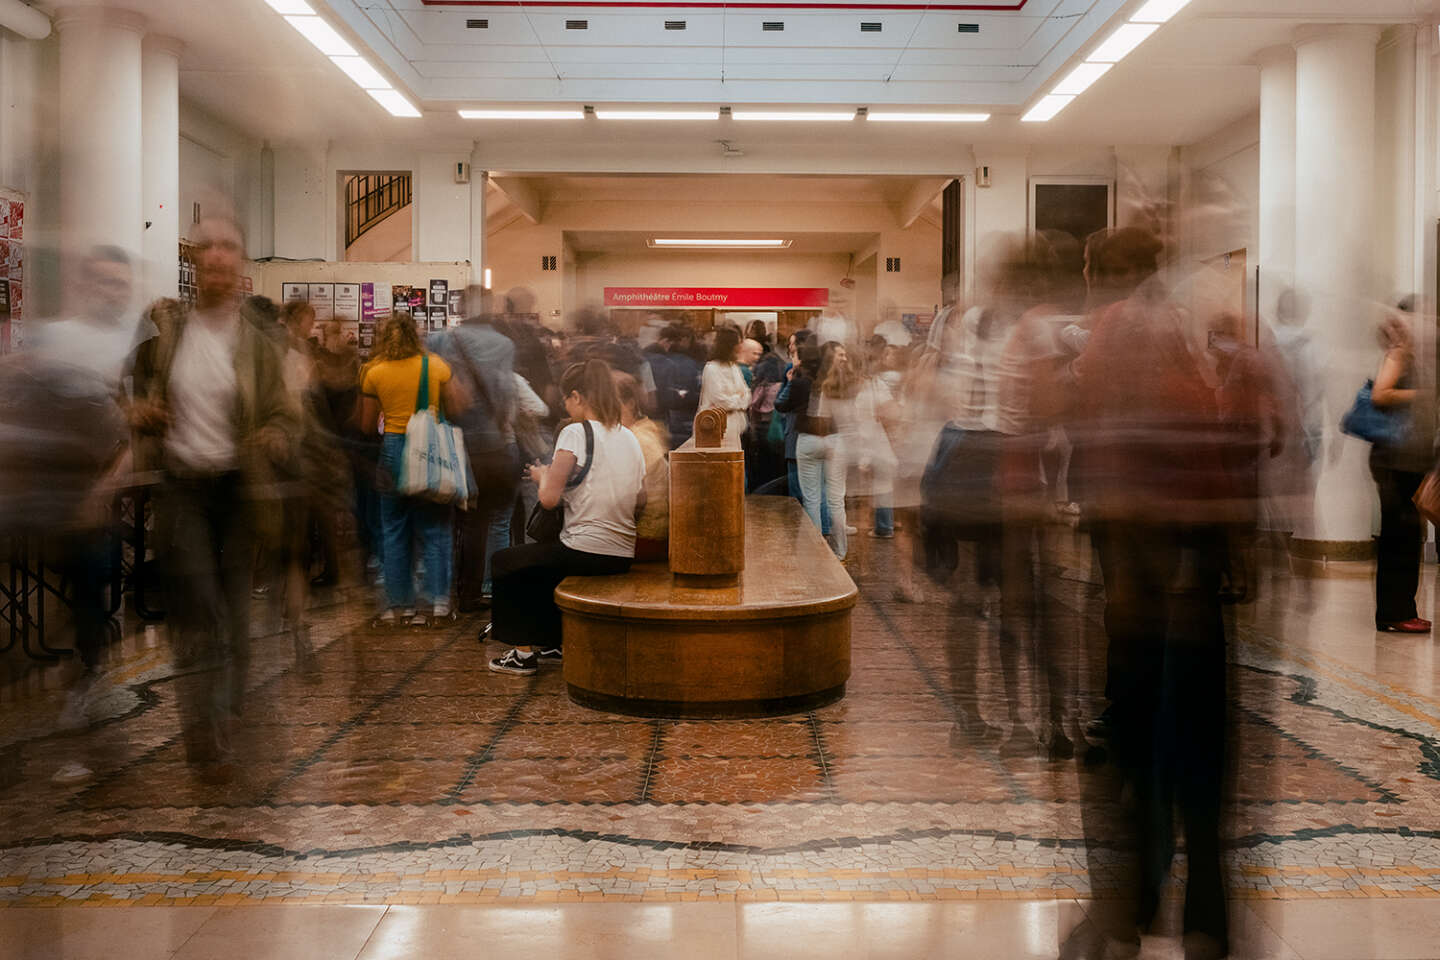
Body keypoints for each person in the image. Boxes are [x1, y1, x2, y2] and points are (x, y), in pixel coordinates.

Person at [130, 217, 300, 780]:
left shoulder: (257, 345)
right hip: (184, 488)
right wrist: (144, 415)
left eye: (230, 248)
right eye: (209, 250)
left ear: (241, 266)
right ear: (196, 265)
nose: (220, 259)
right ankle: (204, 732)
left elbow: (280, 412)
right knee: (198, 609)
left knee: (233, 614)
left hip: (239, 489)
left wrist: (274, 432)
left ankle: (225, 713)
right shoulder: (167, 335)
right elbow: (134, 398)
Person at [487, 360, 646, 676]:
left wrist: (540, 476)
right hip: (622, 552)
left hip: (586, 549)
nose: (564, 405)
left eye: (566, 399)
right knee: (543, 565)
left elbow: (548, 499)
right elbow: (641, 498)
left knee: (507, 561)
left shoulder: (575, 432)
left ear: (577, 396)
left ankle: (522, 653)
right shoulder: (629, 436)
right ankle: (553, 642)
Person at [359, 314, 467, 627]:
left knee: (393, 530)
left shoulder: (373, 372)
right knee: (435, 527)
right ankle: (438, 604)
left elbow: (366, 424)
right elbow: (458, 406)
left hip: (392, 449)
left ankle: (400, 606)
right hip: (430, 451)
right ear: (415, 336)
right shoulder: (435, 366)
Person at [430, 301, 519, 612]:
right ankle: (476, 590)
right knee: (482, 523)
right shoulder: (504, 344)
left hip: (450, 444)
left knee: (450, 522)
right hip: (490, 447)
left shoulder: (439, 340)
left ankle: (447, 594)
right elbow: (507, 394)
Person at [1369, 302, 1431, 633]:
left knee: (1406, 534)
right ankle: (1394, 613)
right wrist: (1423, 395)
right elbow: (1381, 394)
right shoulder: (1401, 353)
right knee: (1399, 535)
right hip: (1394, 458)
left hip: (1404, 457)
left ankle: (1401, 610)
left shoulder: (1413, 354)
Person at [796, 341, 856, 559]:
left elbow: (785, 404)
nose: (845, 358)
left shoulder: (804, 380)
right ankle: (840, 551)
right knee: (836, 501)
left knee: (812, 499)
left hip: (809, 440)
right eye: (841, 354)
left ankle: (816, 552)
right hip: (836, 440)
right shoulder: (847, 382)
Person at [616, 371, 670, 561]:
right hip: (651, 533)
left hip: (645, 539)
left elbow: (634, 500)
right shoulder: (644, 429)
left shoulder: (635, 439)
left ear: (630, 403)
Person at [698, 326, 750, 441]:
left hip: (738, 428)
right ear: (729, 345)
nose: (740, 347)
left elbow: (747, 395)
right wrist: (738, 398)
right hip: (717, 430)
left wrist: (736, 400)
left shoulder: (734, 367)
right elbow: (720, 401)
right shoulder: (712, 368)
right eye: (738, 343)